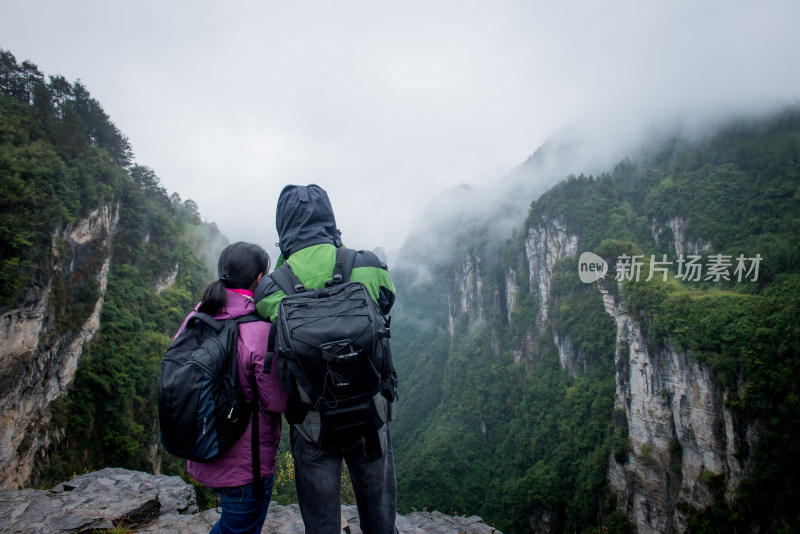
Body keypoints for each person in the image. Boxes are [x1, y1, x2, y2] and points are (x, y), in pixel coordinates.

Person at [254, 184, 398, 534]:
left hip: (312, 424)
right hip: (368, 414)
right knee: (380, 523)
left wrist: (287, 259)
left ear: (282, 228)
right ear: (331, 220)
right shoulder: (366, 265)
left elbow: (270, 328)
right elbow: (386, 301)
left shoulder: (272, 287)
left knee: (321, 527)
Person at [175, 241, 287, 534]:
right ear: (261, 279)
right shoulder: (259, 331)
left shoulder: (195, 318)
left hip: (201, 447)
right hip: (244, 464)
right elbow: (276, 400)